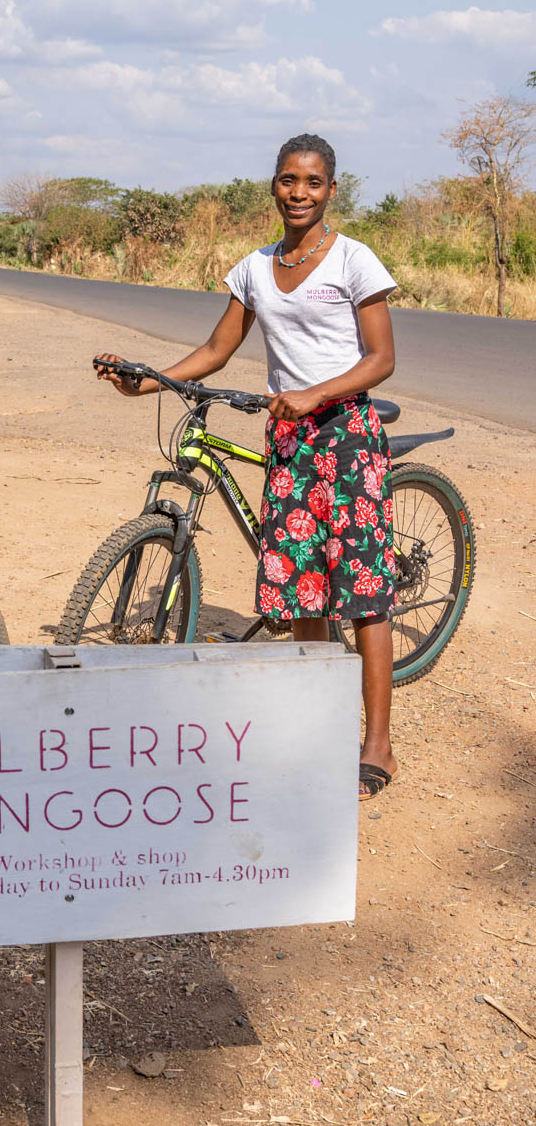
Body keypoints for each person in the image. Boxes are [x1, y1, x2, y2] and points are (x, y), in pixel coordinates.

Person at [97, 132, 398, 803]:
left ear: (331, 190)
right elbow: (215, 348)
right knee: (302, 589)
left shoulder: (353, 260)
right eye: (289, 180)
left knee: (362, 590)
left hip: (346, 434)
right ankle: (321, 721)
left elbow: (381, 358)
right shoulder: (255, 269)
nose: (300, 193)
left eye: (313, 182)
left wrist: (317, 394)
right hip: (290, 442)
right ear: (273, 185)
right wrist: (145, 382)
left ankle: (377, 743)